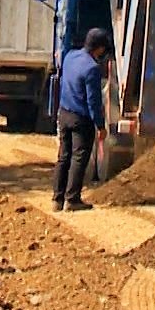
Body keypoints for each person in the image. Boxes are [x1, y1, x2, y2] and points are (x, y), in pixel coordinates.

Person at [52, 28, 110, 212]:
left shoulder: (70, 56)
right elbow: (93, 101)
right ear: (99, 48)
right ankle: (72, 199)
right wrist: (100, 125)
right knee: (79, 158)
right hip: (80, 118)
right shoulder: (92, 68)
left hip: (64, 113)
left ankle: (57, 199)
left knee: (63, 156)